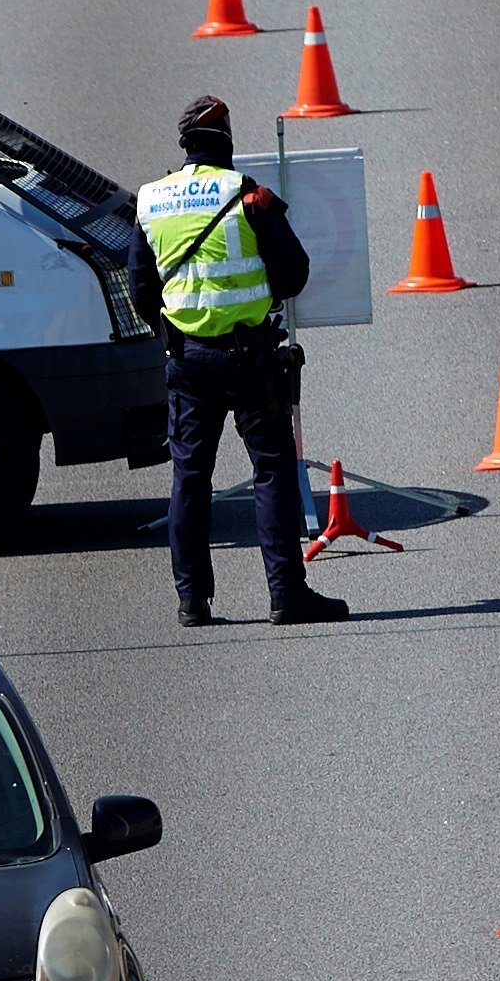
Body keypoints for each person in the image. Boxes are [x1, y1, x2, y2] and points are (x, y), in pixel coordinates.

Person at [128, 93, 351, 632]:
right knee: (272, 472)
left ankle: (192, 602)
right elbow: (295, 273)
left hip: (186, 361)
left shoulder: (151, 200)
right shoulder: (246, 196)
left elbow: (139, 288)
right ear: (226, 142)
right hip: (249, 360)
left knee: (190, 477)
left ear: (185, 145)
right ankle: (285, 595)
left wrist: (176, 329)